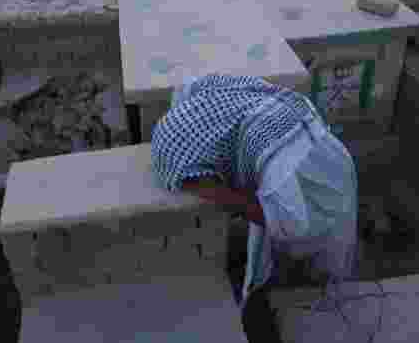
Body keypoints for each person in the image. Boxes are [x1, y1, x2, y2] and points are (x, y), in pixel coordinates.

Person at [151, 74, 357, 305]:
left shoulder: (179, 155)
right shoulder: (195, 99)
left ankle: (307, 265)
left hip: (279, 140)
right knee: (302, 216)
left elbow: (247, 207)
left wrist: (280, 227)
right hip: (304, 121)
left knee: (292, 223)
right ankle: (312, 265)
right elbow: (232, 200)